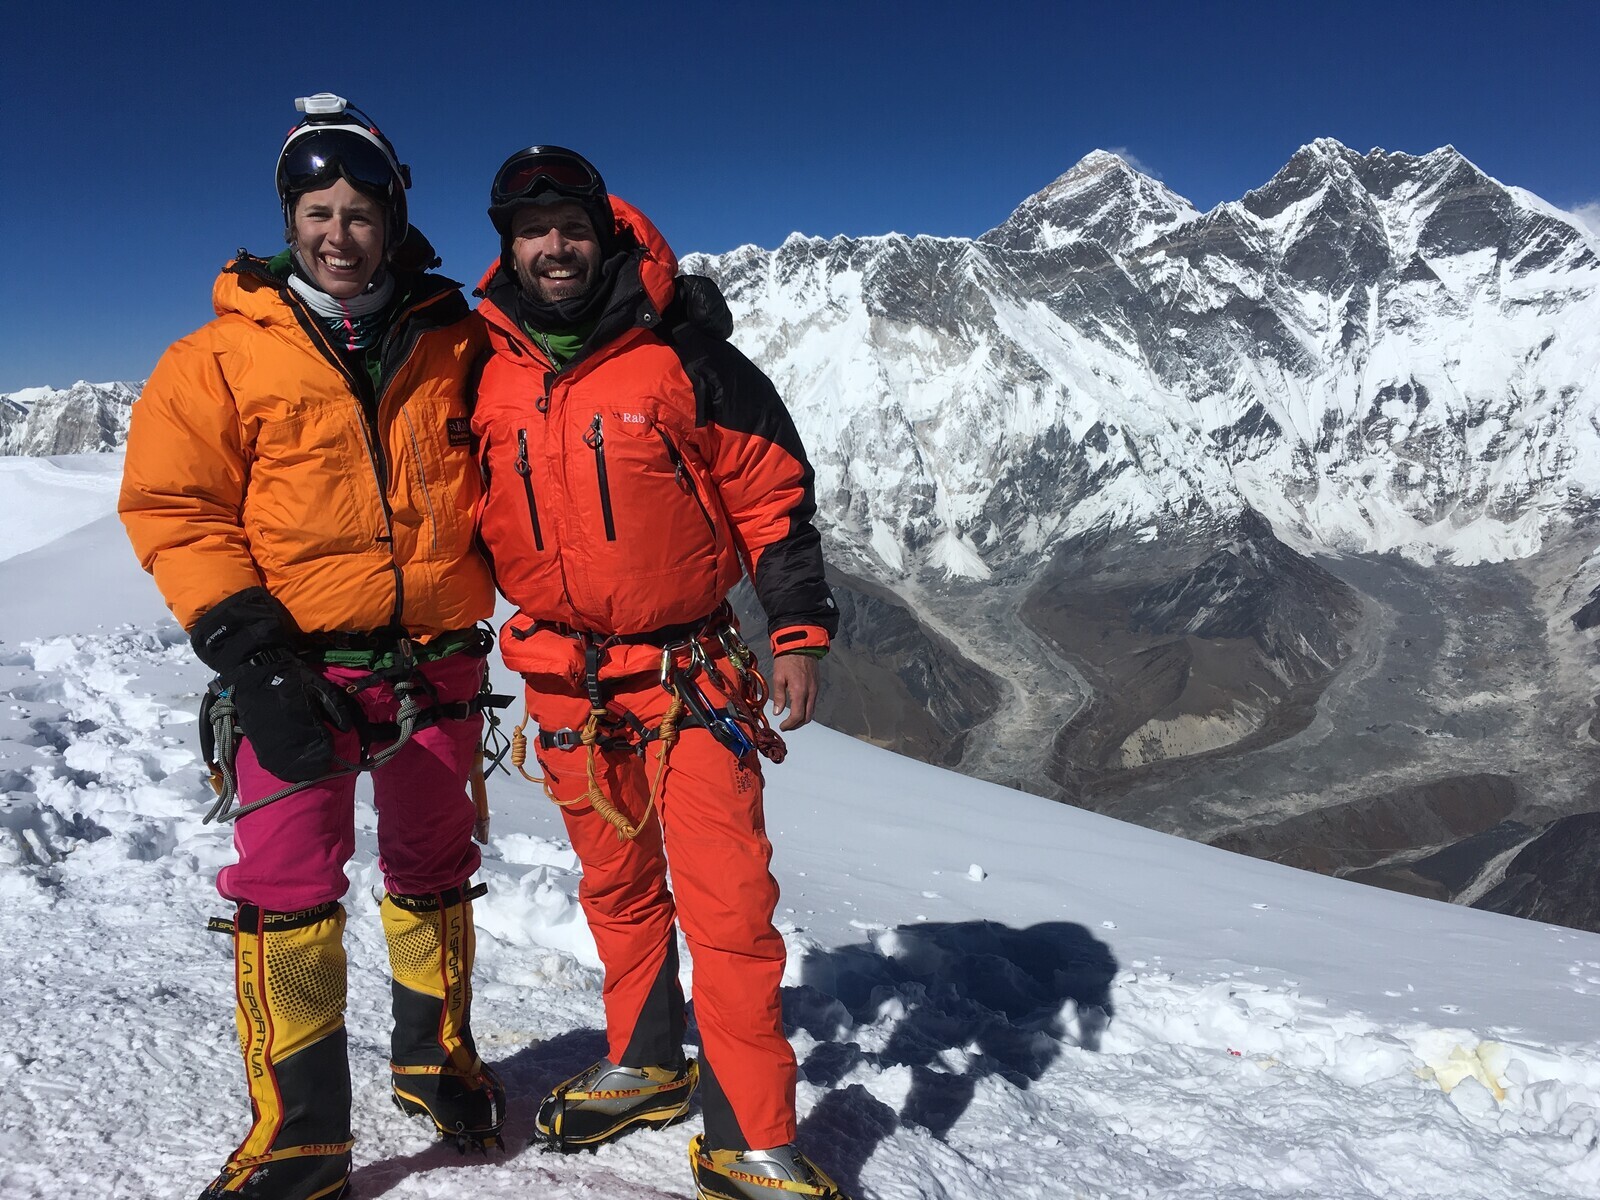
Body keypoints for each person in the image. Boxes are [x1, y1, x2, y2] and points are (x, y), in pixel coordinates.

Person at [119, 94, 504, 1200]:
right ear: (289, 219)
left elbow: (553, 388)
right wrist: (248, 651)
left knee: (435, 875)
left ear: (395, 219)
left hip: (437, 659)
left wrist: (663, 319)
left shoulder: (455, 336)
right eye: (317, 210)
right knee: (285, 891)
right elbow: (174, 508)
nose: (339, 234)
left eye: (360, 211)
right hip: (296, 668)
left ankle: (437, 1062)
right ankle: (302, 1134)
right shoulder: (217, 358)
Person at [471, 145, 847, 1200]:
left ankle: (750, 1135)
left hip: (690, 681)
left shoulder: (686, 358)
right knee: (619, 890)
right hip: (560, 681)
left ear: (606, 234)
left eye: (571, 227)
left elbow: (773, 502)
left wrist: (799, 629)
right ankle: (645, 1061)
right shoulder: (482, 368)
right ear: (507, 244)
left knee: (727, 906)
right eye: (531, 229)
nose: (553, 246)